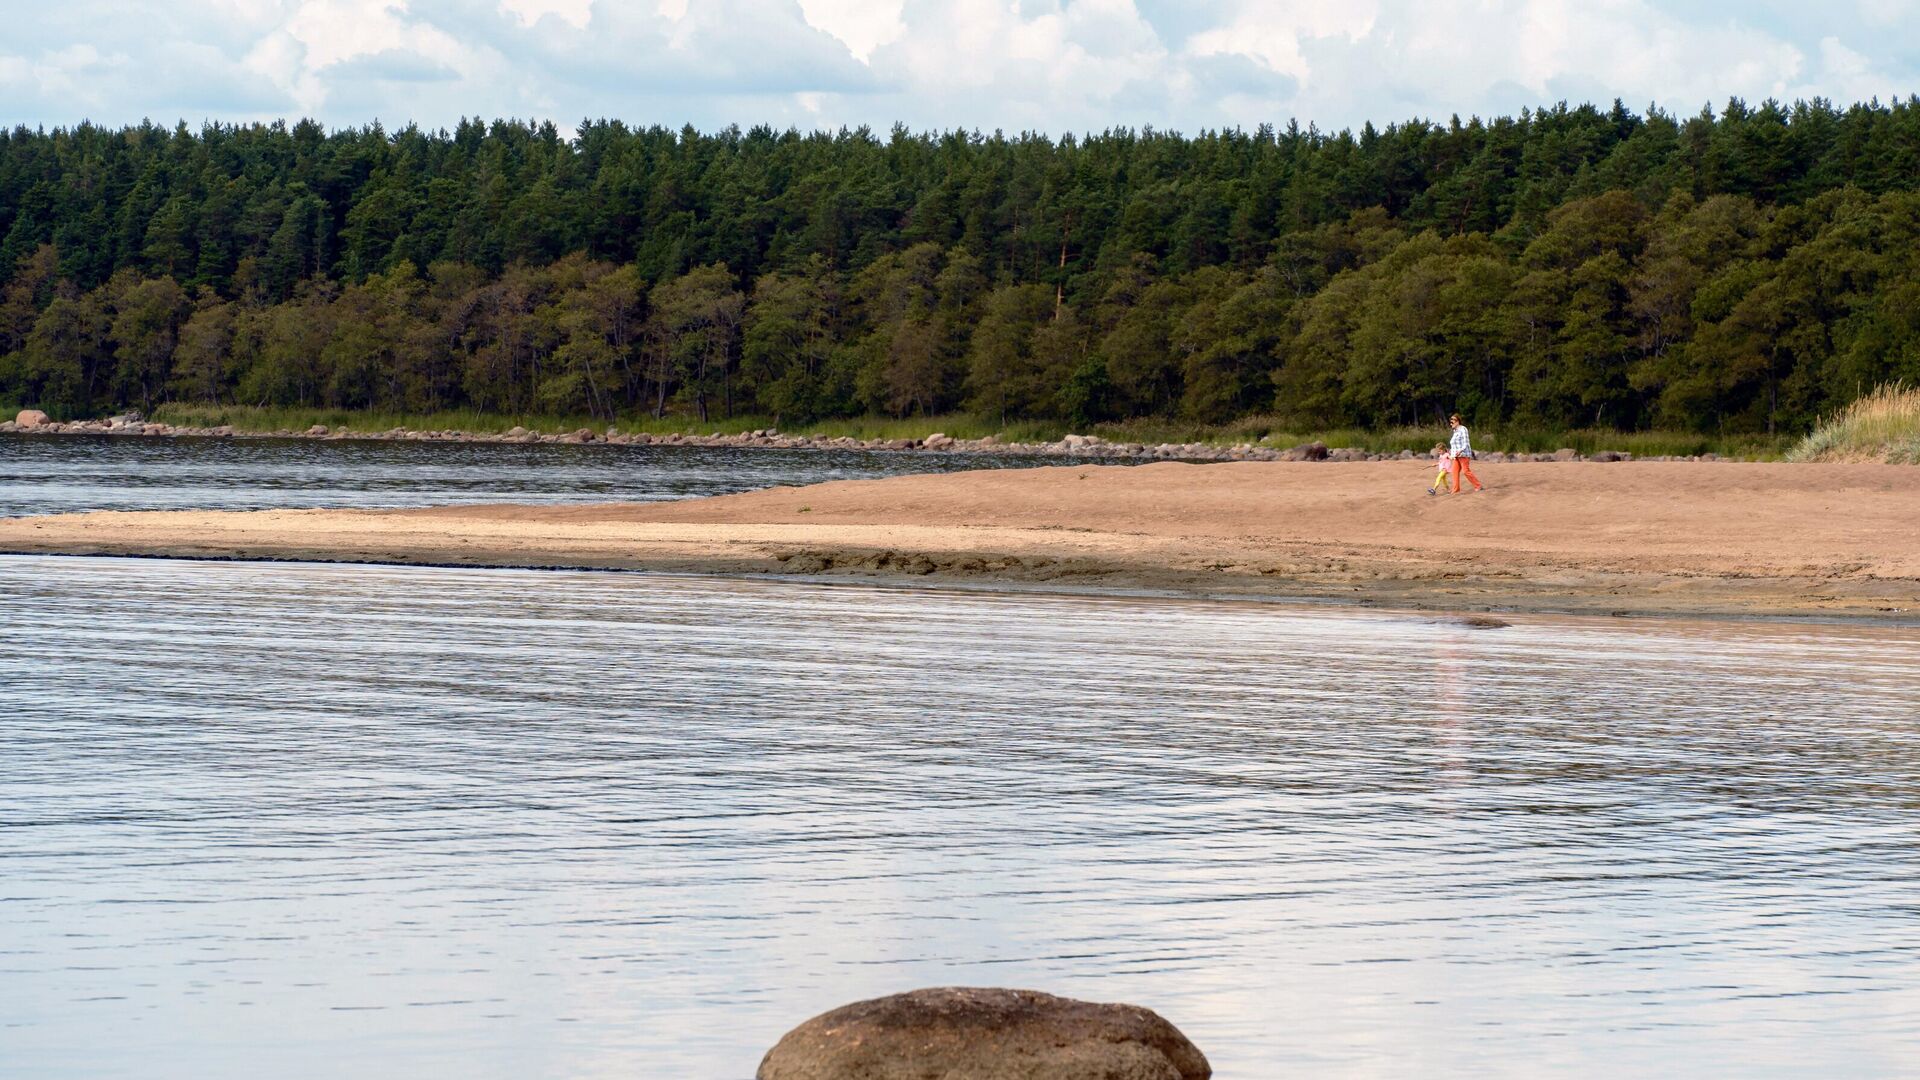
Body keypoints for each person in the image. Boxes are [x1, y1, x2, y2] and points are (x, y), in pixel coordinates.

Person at [1447, 413, 1483, 493]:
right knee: (1454, 471)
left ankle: (1478, 486)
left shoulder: (1463, 429)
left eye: (1452, 422)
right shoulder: (1455, 431)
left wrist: (1460, 450)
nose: (1450, 424)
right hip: (1456, 456)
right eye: (1450, 422)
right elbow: (1453, 445)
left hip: (1464, 454)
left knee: (1466, 471)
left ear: (1457, 421)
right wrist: (1450, 454)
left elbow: (1466, 442)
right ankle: (1456, 490)